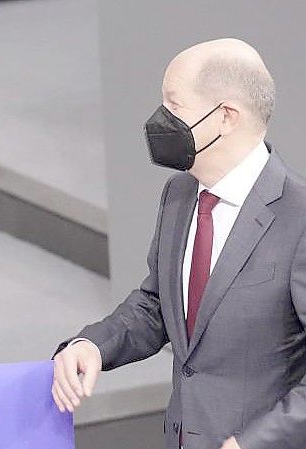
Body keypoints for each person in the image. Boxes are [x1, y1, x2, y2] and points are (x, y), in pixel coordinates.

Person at [52, 38, 306, 449]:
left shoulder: (299, 217)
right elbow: (157, 304)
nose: (160, 119)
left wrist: (256, 443)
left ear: (225, 117)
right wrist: (95, 344)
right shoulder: (179, 194)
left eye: (174, 105)